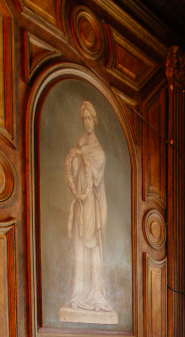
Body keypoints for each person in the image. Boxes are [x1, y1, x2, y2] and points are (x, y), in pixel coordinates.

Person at [61, 100, 115, 321]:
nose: (87, 122)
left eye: (89, 118)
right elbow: (73, 172)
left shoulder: (98, 150)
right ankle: (78, 293)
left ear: (95, 120)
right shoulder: (80, 143)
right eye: (84, 118)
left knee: (93, 248)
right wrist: (75, 158)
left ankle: (96, 295)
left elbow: (96, 171)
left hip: (92, 203)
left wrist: (83, 157)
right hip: (81, 203)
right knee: (79, 248)